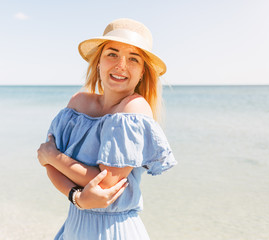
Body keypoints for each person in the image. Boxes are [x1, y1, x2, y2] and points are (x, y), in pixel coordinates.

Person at [37, 18, 177, 240]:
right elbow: (48, 165)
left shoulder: (134, 108)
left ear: (142, 72)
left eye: (133, 59)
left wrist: (54, 156)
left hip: (114, 232)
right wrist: (77, 196)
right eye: (112, 54)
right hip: (74, 225)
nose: (121, 65)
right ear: (99, 62)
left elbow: (105, 183)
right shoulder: (77, 104)